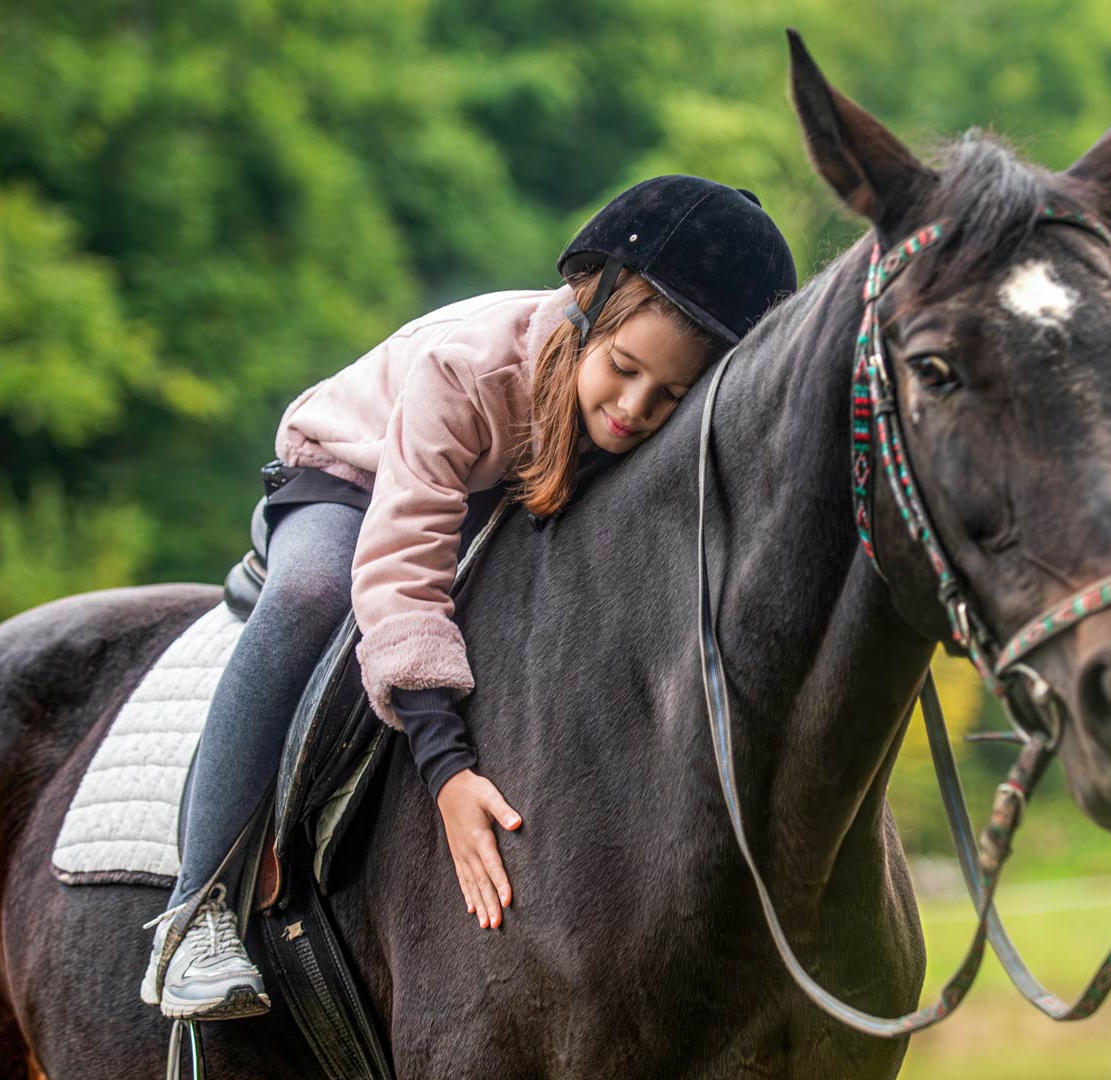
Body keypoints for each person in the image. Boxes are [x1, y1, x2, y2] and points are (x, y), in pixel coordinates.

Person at [138, 175, 799, 1021]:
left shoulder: (634, 415)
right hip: (359, 475)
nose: (634, 409)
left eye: (668, 396)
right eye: (624, 369)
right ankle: (194, 913)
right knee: (311, 593)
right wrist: (447, 770)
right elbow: (402, 562)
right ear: (584, 311)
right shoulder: (470, 370)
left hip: (501, 486)